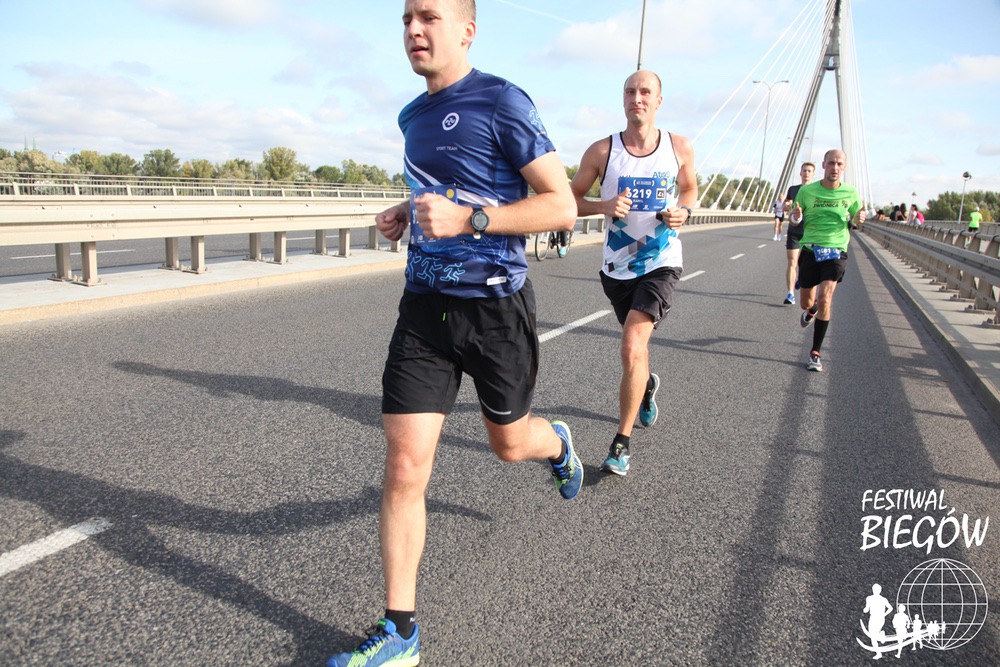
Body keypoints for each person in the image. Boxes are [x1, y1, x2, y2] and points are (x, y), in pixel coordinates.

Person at [326, 2, 580, 665]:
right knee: (405, 464)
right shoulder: (411, 116)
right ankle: (401, 633)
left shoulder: (502, 100)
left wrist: (470, 221)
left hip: (496, 309)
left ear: (467, 30)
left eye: (429, 16)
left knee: (509, 444)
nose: (414, 29)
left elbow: (561, 205)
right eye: (407, 17)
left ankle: (557, 444)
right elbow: (441, 189)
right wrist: (404, 212)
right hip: (424, 308)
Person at [570, 69, 697, 476]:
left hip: (661, 261)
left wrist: (684, 210)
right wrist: (603, 207)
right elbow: (569, 200)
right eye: (630, 91)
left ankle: (621, 445)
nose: (637, 98)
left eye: (645, 92)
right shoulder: (602, 151)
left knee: (630, 346)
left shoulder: (678, 147)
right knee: (636, 351)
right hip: (617, 267)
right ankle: (645, 388)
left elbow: (690, 188)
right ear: (622, 99)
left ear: (659, 100)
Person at [791, 148, 865, 372]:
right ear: (823, 165)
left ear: (844, 167)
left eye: (839, 164)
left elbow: (856, 219)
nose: (835, 167)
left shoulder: (851, 192)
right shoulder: (807, 191)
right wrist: (795, 217)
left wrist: (859, 219)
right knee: (806, 302)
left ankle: (815, 353)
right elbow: (795, 218)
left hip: (836, 250)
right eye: (831, 163)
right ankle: (811, 310)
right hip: (810, 250)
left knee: (826, 297)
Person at [781, 161, 815, 304]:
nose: (806, 173)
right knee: (792, 262)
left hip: (810, 232)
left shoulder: (817, 190)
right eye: (804, 170)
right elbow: (785, 203)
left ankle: (801, 279)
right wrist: (786, 206)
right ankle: (790, 294)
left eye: (809, 171)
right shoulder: (793, 189)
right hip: (794, 230)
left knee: (806, 264)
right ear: (800, 173)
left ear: (813, 174)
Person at [863, 583, 894, 660]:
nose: (875, 590)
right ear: (872, 590)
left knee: (873, 635)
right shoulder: (869, 598)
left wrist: (884, 614)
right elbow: (867, 608)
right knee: (872, 637)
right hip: (872, 617)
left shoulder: (883, 599)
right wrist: (865, 610)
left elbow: (890, 608)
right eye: (874, 589)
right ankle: (878, 653)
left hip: (879, 617)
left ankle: (881, 635)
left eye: (877, 589)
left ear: (880, 590)